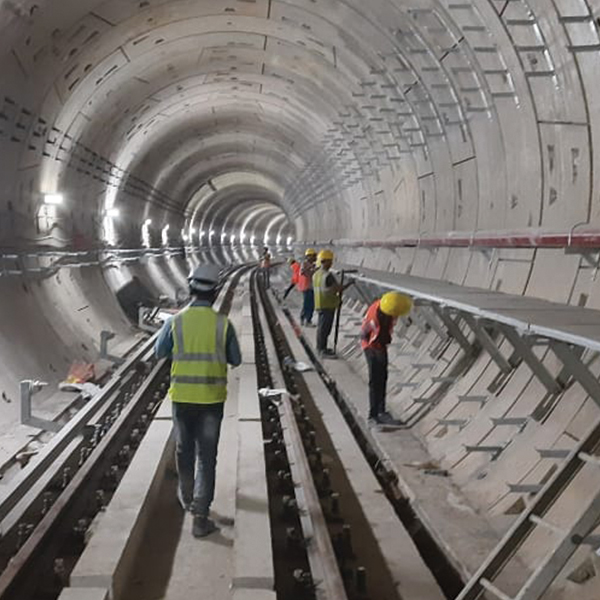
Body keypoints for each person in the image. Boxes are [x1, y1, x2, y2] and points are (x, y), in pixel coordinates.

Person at [155, 264, 242, 538]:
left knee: (184, 451)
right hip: (211, 402)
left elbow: (160, 352)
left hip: (182, 399)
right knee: (207, 457)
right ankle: (201, 517)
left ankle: (187, 497)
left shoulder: (175, 322)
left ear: (191, 289)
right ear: (215, 292)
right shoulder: (223, 324)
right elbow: (236, 359)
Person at [361, 291, 413, 426]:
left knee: (383, 377)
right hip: (371, 347)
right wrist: (373, 352)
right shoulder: (375, 318)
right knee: (375, 380)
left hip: (380, 346)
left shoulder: (386, 305)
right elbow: (364, 335)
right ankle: (373, 416)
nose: (396, 318)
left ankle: (381, 411)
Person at [313, 249, 352, 356]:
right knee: (325, 329)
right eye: (329, 261)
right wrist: (349, 284)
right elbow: (337, 289)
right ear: (324, 261)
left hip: (320, 304)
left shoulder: (316, 274)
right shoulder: (327, 275)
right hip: (328, 305)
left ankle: (321, 348)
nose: (331, 263)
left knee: (321, 328)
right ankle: (322, 350)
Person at [298, 248, 317, 326]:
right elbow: (303, 272)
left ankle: (304, 319)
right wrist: (311, 268)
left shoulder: (312, 264)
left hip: (310, 287)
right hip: (307, 287)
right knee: (308, 304)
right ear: (308, 256)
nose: (314, 257)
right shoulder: (305, 264)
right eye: (313, 256)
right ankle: (307, 320)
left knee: (309, 304)